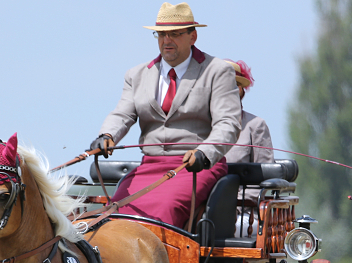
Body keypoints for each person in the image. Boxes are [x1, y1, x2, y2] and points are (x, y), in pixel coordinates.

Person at [89, 2, 241, 228]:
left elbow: (228, 123)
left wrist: (204, 153)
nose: (166, 41)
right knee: (115, 216)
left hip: (195, 167)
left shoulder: (217, 71)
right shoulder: (137, 75)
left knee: (164, 212)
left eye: (174, 34)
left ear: (193, 36)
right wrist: (106, 135)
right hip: (149, 166)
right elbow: (122, 113)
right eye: (161, 34)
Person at [223, 60, 274, 164]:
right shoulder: (197, 125)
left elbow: (265, 174)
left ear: (240, 90)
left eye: (232, 85)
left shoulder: (256, 126)